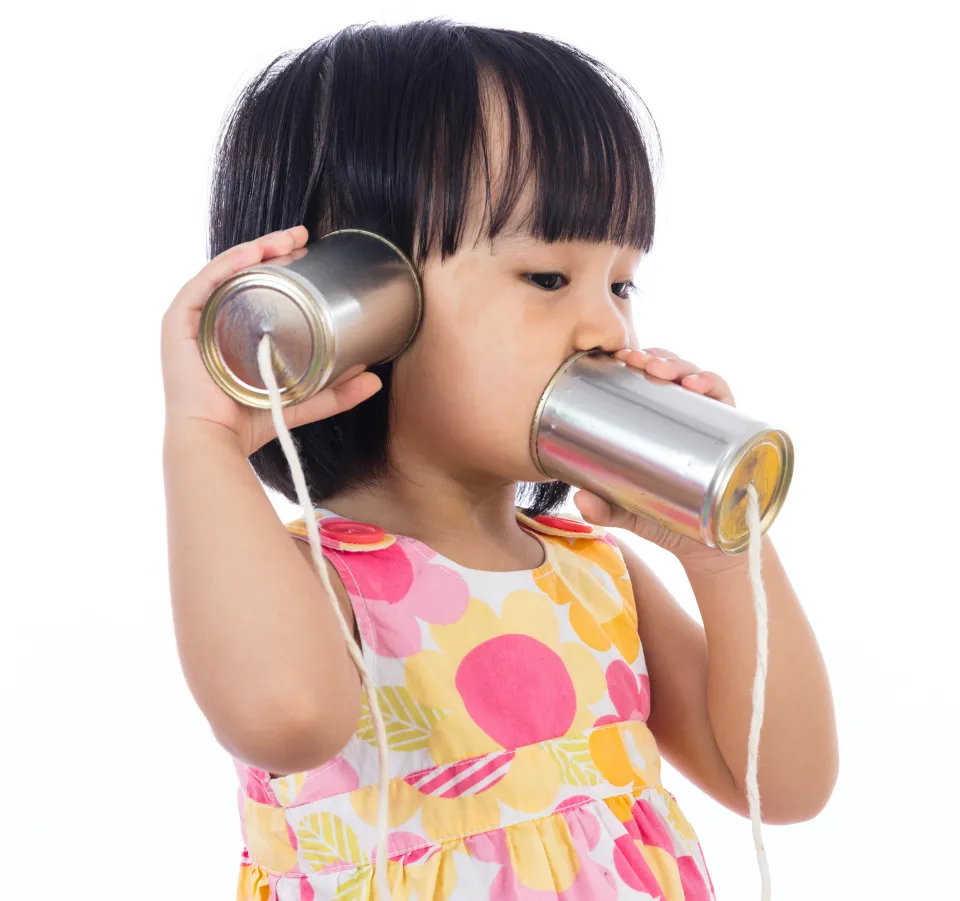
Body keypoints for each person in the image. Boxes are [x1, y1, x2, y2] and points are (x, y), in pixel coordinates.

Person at [161, 18, 838, 901]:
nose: (606, 328)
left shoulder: (598, 578)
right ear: (360, 298)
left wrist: (723, 550)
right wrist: (204, 435)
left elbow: (781, 783)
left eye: (621, 282)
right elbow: (283, 718)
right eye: (548, 279)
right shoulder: (320, 585)